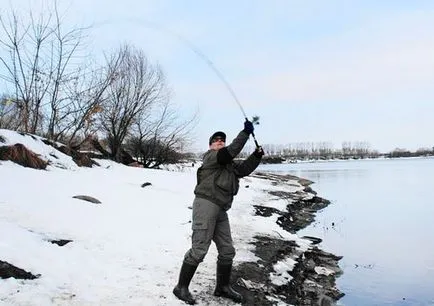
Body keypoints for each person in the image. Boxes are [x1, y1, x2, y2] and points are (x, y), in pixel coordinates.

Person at [173, 119, 264, 304]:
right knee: (199, 250)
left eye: (222, 140)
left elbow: (244, 169)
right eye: (216, 140)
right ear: (211, 145)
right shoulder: (211, 157)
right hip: (206, 205)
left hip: (221, 209)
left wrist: (256, 155)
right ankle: (180, 288)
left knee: (227, 250)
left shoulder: (228, 165)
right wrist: (245, 133)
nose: (220, 142)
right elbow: (229, 152)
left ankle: (222, 287)